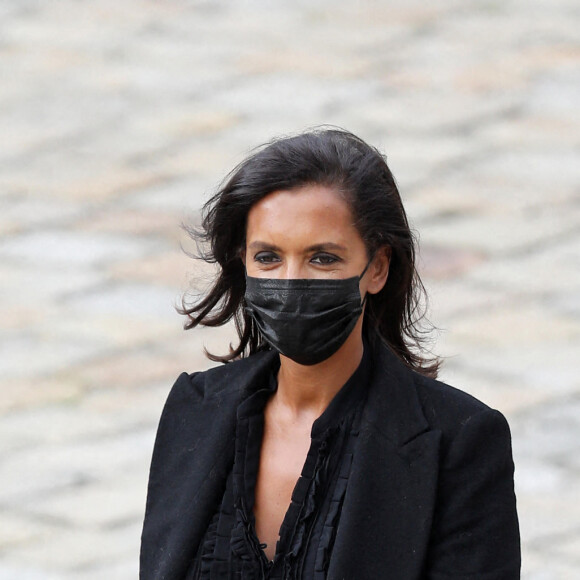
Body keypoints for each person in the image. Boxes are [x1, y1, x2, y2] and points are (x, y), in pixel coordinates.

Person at [140, 128, 520, 579]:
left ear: (377, 267)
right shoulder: (194, 411)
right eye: (268, 257)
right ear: (242, 262)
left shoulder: (460, 443)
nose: (290, 280)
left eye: (322, 258)